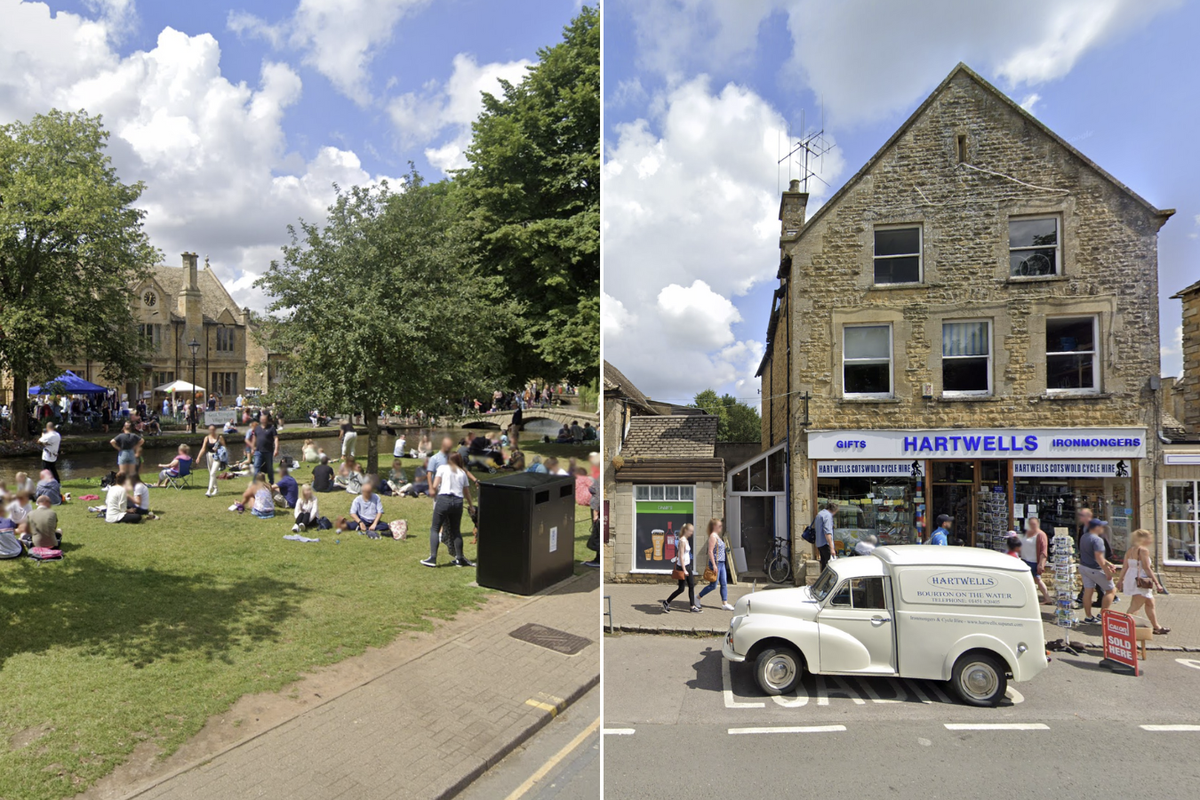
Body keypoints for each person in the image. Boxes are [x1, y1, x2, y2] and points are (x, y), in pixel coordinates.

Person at [421, 453, 475, 568]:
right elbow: (467, 492)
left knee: (435, 528)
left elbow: (435, 486)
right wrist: (471, 505)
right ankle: (459, 558)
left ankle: (433, 558)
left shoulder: (442, 468)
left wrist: (431, 490)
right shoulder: (462, 473)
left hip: (444, 499)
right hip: (458, 502)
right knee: (456, 530)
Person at [1122, 528, 1169, 635]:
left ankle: (1156, 627)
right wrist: (1157, 583)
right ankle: (1124, 627)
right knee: (1135, 606)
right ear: (1142, 539)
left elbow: (1125, 567)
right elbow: (1147, 568)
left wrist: (1121, 580)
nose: (1151, 540)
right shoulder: (1143, 550)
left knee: (1150, 602)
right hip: (1141, 580)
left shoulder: (1131, 550)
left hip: (1132, 578)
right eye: (1149, 538)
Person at [1079, 519, 1118, 624]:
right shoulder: (1098, 540)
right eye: (1101, 526)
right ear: (1096, 528)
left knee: (1088, 591)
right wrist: (1107, 572)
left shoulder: (1084, 536)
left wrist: (1109, 563)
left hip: (1083, 567)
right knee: (1111, 590)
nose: (1103, 528)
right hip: (1095, 569)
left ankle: (1088, 616)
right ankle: (1102, 615)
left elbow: (1093, 554)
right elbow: (1099, 558)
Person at [697, 519, 734, 610]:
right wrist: (713, 565)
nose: (721, 527)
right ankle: (697, 597)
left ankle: (724, 603)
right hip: (716, 563)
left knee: (724, 583)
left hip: (722, 563)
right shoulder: (713, 536)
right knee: (713, 585)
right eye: (719, 526)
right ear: (714, 526)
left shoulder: (717, 536)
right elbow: (710, 551)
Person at [662, 522, 699, 612]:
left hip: (688, 566)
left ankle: (692, 606)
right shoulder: (682, 541)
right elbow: (681, 556)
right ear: (686, 530)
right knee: (681, 589)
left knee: (691, 586)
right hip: (683, 567)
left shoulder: (686, 540)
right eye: (690, 531)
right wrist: (684, 569)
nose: (691, 533)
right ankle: (666, 602)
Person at [1020, 518, 1051, 603]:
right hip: (1024, 560)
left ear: (1038, 524)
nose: (1032, 526)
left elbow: (1043, 551)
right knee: (1026, 579)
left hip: (1033, 561)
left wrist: (1041, 563)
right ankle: (1027, 596)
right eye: (1030, 524)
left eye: (1034, 524)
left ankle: (1047, 597)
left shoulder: (1041, 534)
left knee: (1037, 579)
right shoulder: (1027, 533)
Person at [197, 425, 226, 497]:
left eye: (213, 429)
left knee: (213, 473)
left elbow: (224, 447)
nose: (211, 431)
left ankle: (209, 490)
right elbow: (203, 448)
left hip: (217, 456)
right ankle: (216, 489)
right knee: (211, 473)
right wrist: (199, 457)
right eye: (210, 430)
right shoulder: (207, 438)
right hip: (209, 456)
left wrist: (219, 449)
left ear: (215, 430)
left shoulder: (220, 437)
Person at [254, 413, 279, 485]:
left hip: (268, 451)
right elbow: (255, 438)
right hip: (258, 451)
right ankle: (256, 483)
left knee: (269, 468)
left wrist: (276, 449)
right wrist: (253, 447)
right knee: (256, 466)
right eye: (261, 419)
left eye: (264, 419)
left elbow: (276, 439)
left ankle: (271, 482)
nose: (263, 420)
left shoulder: (272, 428)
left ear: (267, 420)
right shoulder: (257, 428)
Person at [814, 501, 838, 570]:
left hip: (819, 543)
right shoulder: (827, 516)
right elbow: (827, 533)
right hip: (825, 544)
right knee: (831, 566)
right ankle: (828, 580)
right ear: (833, 510)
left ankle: (823, 580)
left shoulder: (820, 514)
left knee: (824, 565)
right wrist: (832, 548)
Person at [582, 483, 600, 568]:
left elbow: (598, 494)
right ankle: (597, 559)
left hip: (598, 511)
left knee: (598, 535)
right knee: (597, 534)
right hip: (598, 509)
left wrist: (595, 513)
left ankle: (599, 560)